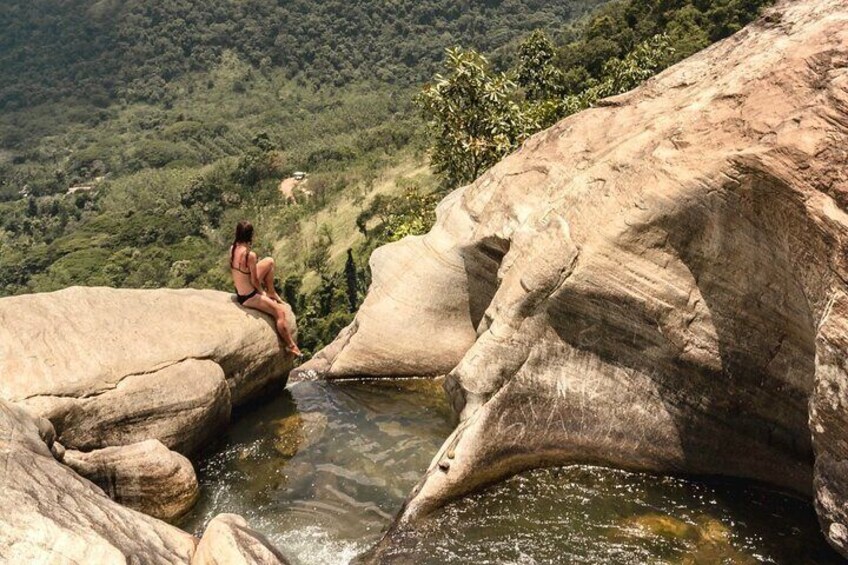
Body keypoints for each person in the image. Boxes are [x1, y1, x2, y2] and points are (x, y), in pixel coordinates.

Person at [230, 220, 302, 356]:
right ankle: (291, 345)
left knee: (269, 261)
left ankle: (272, 292)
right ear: (250, 235)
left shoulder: (233, 248)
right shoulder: (249, 255)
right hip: (248, 296)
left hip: (240, 290)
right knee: (280, 312)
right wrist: (261, 293)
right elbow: (254, 280)